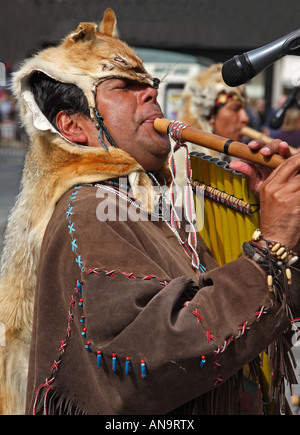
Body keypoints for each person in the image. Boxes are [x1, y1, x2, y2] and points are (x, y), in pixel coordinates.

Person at [0, 8, 299, 416]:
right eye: (124, 86)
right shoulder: (87, 209)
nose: (150, 93)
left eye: (150, 84)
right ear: (73, 127)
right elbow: (150, 359)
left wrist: (279, 223)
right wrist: (268, 247)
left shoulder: (150, 202)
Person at [174, 63, 250, 185]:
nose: (245, 118)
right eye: (235, 109)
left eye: (244, 109)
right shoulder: (185, 157)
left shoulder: (233, 156)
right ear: (209, 116)